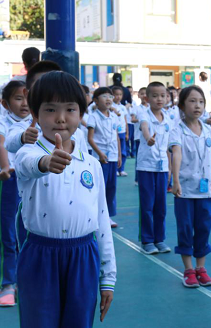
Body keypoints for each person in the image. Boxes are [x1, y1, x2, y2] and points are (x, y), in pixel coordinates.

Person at [15, 71, 116, 327]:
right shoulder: (27, 153)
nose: (60, 118)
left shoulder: (91, 164)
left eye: (70, 109)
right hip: (40, 255)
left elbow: (102, 220)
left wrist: (108, 278)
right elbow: (27, 164)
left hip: (84, 255)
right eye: (50, 110)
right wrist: (46, 162)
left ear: (81, 114)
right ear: (35, 114)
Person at [169, 86, 211, 288]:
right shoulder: (177, 131)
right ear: (182, 106)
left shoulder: (209, 131)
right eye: (192, 101)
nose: (197, 105)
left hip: (206, 191)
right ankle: (188, 269)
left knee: (203, 229)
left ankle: (201, 268)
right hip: (185, 191)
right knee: (185, 228)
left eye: (201, 101)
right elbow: (176, 154)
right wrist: (175, 181)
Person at [0, 80, 30, 307]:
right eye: (18, 98)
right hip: (10, 179)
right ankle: (9, 283)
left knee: (30, 231)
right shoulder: (3, 121)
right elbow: (1, 143)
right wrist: (5, 167)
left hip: (33, 179)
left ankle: (27, 280)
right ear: (5, 103)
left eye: (28, 98)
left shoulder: (36, 121)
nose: (25, 103)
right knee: (9, 232)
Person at [137, 82, 173, 255]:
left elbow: (168, 147)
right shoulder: (144, 114)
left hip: (162, 167)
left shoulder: (168, 119)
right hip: (146, 167)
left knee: (161, 206)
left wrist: (170, 168)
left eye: (163, 95)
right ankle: (147, 240)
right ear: (147, 98)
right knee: (147, 205)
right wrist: (148, 138)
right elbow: (144, 127)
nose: (159, 99)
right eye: (155, 96)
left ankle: (160, 239)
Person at [87, 87, 121, 229]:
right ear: (95, 100)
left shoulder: (114, 116)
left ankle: (108, 216)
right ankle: (97, 215)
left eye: (110, 97)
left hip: (112, 156)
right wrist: (100, 153)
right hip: (100, 158)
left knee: (111, 187)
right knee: (101, 187)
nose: (108, 99)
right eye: (104, 96)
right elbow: (90, 138)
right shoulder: (93, 117)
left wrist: (119, 155)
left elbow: (116, 137)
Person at [111, 86, 129, 177]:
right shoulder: (110, 107)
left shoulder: (123, 107)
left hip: (122, 132)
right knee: (116, 151)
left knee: (123, 152)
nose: (118, 97)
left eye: (120, 95)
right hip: (114, 132)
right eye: (116, 94)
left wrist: (127, 133)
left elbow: (125, 120)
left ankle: (121, 169)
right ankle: (115, 169)